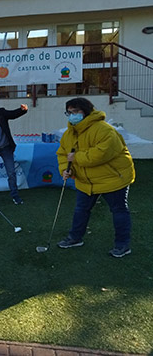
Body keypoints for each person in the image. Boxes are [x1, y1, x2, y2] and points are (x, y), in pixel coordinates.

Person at [56, 97, 135, 258]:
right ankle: (75, 238)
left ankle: (122, 245)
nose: (72, 115)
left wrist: (75, 157)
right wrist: (65, 169)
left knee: (119, 211)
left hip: (113, 178)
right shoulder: (69, 133)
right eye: (69, 112)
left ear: (86, 111)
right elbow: (63, 154)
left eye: (76, 111)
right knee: (81, 210)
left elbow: (100, 154)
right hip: (86, 181)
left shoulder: (104, 130)